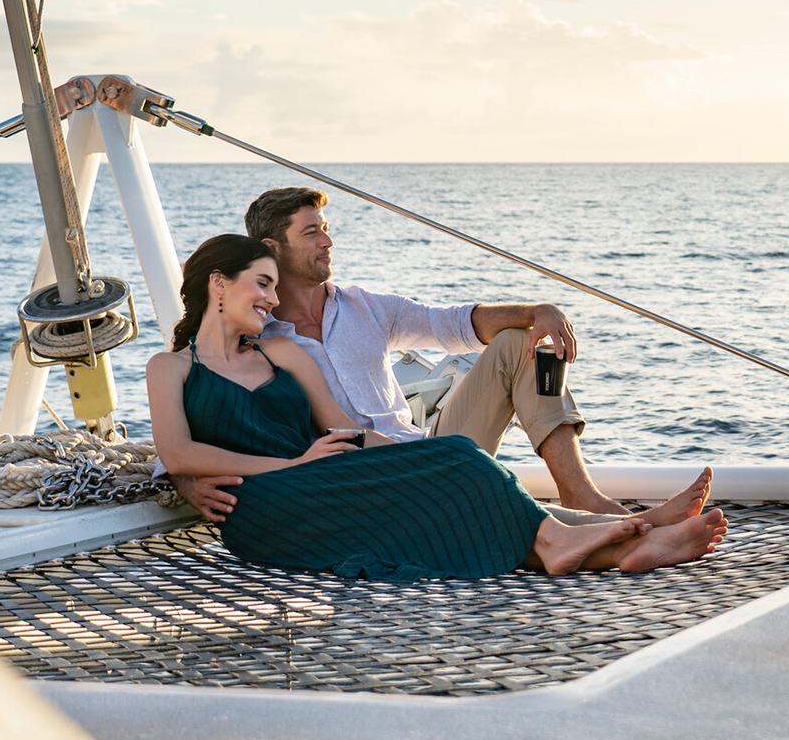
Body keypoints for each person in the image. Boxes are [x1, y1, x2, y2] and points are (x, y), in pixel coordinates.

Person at [147, 234, 727, 579]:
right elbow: (176, 452)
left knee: (455, 466)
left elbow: (344, 432)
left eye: (275, 287)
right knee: (461, 478)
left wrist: (401, 460)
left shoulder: (285, 348)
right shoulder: (168, 368)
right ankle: (630, 532)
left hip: (337, 473)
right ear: (218, 284)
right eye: (261, 284)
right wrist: (258, 472)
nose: (270, 299)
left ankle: (621, 537)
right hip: (270, 507)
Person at [171, 185, 651, 524]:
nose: (327, 241)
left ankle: (580, 492)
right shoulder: (255, 334)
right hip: (357, 476)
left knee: (515, 342)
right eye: (312, 233)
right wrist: (187, 485)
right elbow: (199, 409)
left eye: (326, 229)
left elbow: (451, 324)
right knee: (492, 505)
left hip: (426, 446)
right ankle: (606, 529)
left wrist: (536, 310)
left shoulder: (365, 307)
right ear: (271, 248)